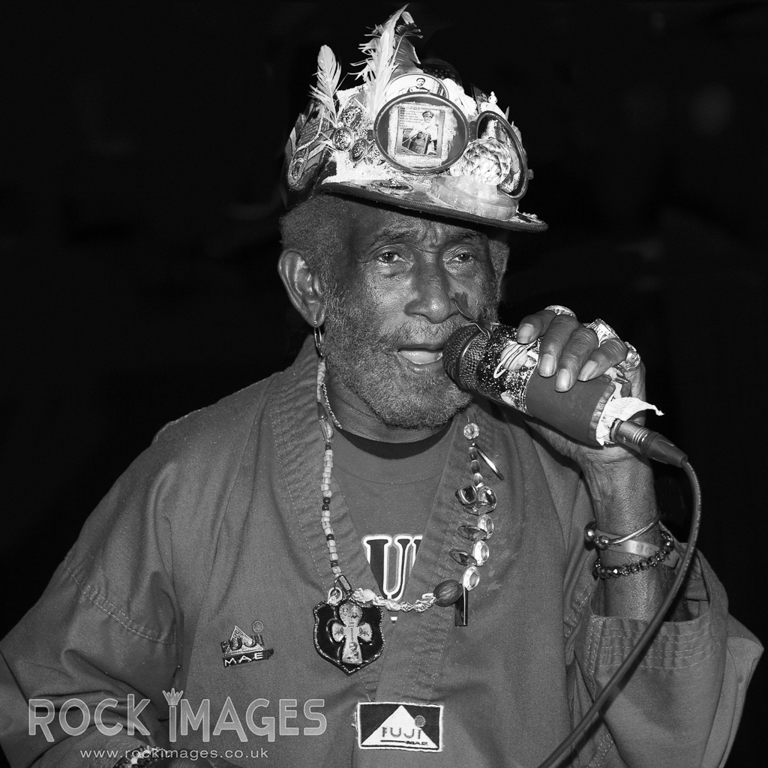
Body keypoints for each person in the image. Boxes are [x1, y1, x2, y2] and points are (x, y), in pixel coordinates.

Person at [0, 9, 761, 768]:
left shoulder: (561, 485)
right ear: (311, 288)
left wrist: (618, 485)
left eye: (464, 259)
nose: (439, 300)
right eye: (394, 257)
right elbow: (55, 706)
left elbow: (678, 745)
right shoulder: (193, 478)